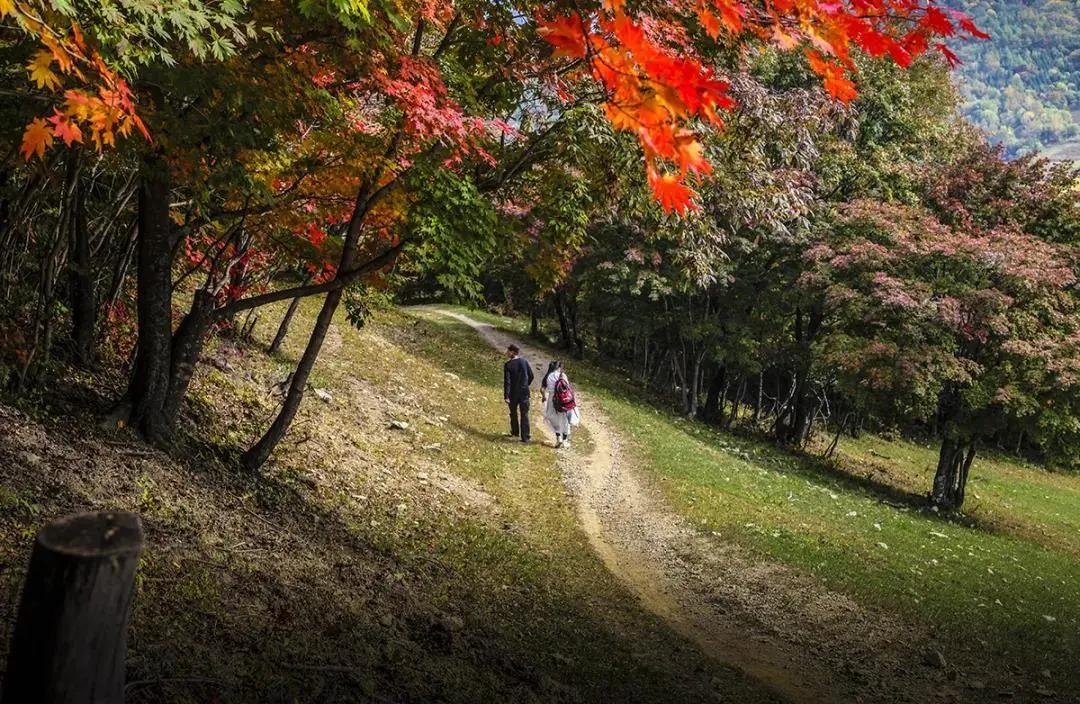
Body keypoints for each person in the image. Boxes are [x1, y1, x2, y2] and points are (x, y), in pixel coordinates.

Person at [541, 360, 578, 448]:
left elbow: (542, 389)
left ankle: (558, 438)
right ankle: (565, 441)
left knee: (553, 418)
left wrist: (543, 397)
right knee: (565, 419)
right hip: (563, 400)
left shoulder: (547, 376)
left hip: (552, 399)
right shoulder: (562, 375)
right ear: (559, 367)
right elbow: (567, 387)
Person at [503, 344, 534, 443]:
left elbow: (507, 381)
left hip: (513, 393)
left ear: (512, 352)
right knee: (524, 414)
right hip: (524, 392)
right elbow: (531, 375)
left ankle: (515, 432)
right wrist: (526, 384)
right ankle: (525, 437)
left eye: (508, 351)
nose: (507, 353)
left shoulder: (508, 365)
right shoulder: (524, 362)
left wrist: (506, 395)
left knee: (513, 413)